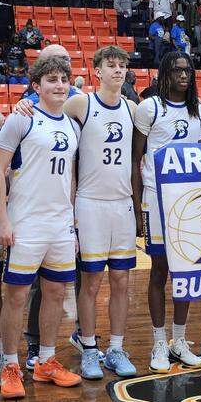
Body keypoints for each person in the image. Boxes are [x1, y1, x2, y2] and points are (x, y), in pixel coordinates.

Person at [0, 55, 83, 398]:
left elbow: (69, 177)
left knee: (56, 293)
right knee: (15, 296)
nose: (59, 86)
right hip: (25, 221)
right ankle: (10, 365)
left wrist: (71, 222)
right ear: (36, 86)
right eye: (51, 80)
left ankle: (46, 360)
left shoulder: (72, 126)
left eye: (63, 79)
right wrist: (2, 217)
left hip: (59, 223)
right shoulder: (20, 120)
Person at [63, 47, 140, 378]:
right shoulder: (81, 103)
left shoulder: (133, 108)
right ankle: (90, 347)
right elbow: (46, 119)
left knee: (122, 279)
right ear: (97, 71)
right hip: (90, 202)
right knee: (91, 280)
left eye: (122, 65)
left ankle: (117, 348)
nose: (118, 70)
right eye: (111, 65)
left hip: (121, 203)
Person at [133, 52, 201, 371]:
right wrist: (137, 208)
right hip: (156, 197)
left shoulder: (200, 111)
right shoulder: (149, 107)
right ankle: (158, 343)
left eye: (188, 70)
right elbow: (135, 162)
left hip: (190, 200)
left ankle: (179, 340)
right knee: (159, 271)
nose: (184, 75)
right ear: (164, 73)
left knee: (186, 273)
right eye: (177, 70)